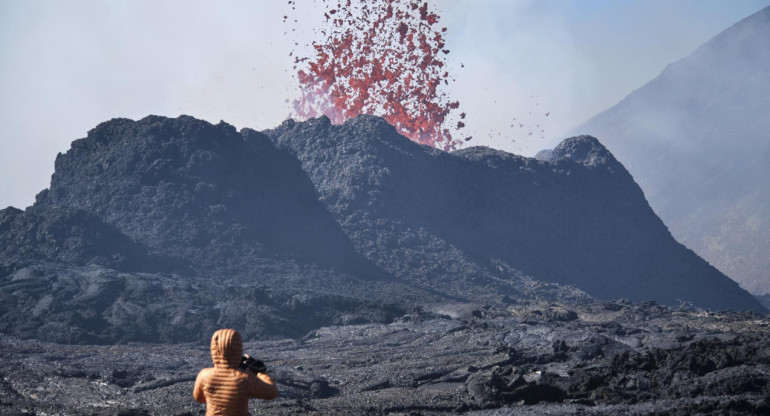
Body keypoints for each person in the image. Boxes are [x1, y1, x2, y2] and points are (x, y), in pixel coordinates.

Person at [193, 329, 279, 415]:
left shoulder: (204, 375)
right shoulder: (245, 378)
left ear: (214, 349)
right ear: (238, 349)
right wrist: (259, 371)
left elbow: (199, 398)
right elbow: (272, 393)